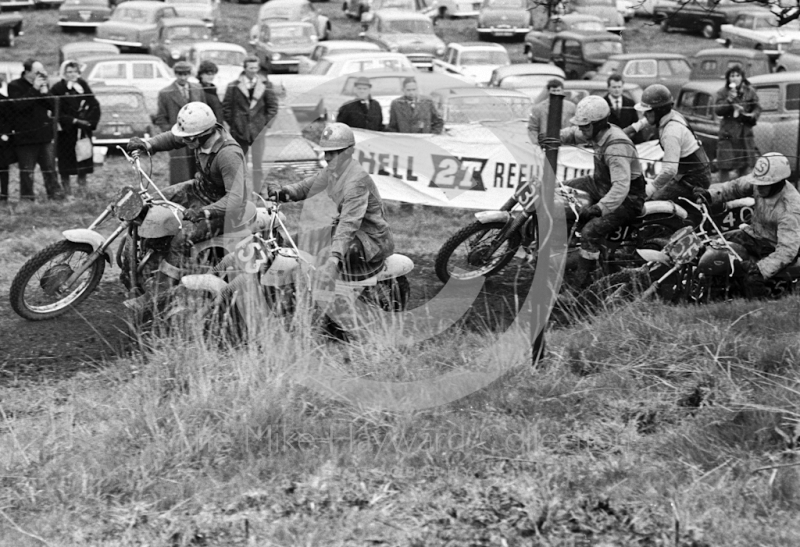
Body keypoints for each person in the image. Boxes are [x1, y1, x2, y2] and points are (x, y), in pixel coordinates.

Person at [126, 102, 253, 291]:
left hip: (223, 210)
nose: (184, 142)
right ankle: (146, 263)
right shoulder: (198, 136)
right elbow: (174, 138)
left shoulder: (228, 155)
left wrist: (204, 212)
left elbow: (235, 199)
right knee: (148, 206)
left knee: (181, 239)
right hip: (198, 189)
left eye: (188, 139)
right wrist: (148, 144)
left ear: (202, 135)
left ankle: (161, 294)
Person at [267, 122, 394, 282]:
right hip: (344, 232)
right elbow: (306, 187)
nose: (327, 158)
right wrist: (283, 192)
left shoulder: (357, 181)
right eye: (326, 152)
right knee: (289, 243)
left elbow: (349, 222)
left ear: (348, 152)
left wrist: (334, 259)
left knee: (322, 259)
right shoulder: (333, 171)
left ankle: (320, 300)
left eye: (332, 153)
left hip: (369, 239)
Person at [542, 95, 646, 289]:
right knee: (558, 191)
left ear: (598, 124)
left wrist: (600, 208)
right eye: (582, 126)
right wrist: (553, 136)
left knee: (590, 231)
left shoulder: (616, 146)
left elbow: (621, 187)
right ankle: (564, 250)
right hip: (599, 184)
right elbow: (574, 133)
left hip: (627, 199)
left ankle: (581, 286)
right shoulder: (595, 132)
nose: (583, 129)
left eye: (586, 126)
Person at [694, 152, 800, 298]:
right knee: (712, 245)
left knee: (750, 280)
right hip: (753, 235)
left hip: (772, 248)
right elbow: (735, 187)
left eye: (764, 185)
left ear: (777, 182)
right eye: (757, 183)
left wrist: (760, 269)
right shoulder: (759, 184)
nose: (758, 187)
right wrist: (710, 195)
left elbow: (787, 250)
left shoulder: (790, 208)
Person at [624, 84, 710, 204]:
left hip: (693, 180)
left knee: (650, 202)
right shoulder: (670, 115)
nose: (644, 115)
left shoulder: (671, 132)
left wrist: (651, 189)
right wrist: (632, 128)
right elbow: (646, 120)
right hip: (686, 174)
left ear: (659, 111)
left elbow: (669, 170)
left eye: (647, 112)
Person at [222, 55, 279, 194]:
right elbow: (226, 108)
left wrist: (264, 126)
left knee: (258, 164)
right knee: (240, 163)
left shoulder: (266, 85)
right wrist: (235, 124)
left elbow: (273, 108)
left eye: (255, 68)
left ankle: (258, 191)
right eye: (250, 68)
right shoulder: (234, 86)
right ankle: (242, 191)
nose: (253, 71)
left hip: (258, 132)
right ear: (244, 69)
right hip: (240, 132)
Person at [8, 58, 62, 201]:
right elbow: (19, 106)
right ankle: (27, 199)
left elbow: (54, 107)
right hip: (25, 138)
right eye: (37, 71)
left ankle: (55, 196)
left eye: (42, 71)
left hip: (44, 136)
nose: (41, 74)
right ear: (27, 72)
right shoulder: (15, 86)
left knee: (50, 169)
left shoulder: (43, 85)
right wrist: (34, 89)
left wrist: (45, 92)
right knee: (27, 171)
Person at [50, 61, 101, 196]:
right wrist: (73, 120)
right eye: (69, 72)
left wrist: (89, 121)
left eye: (75, 71)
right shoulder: (57, 88)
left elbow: (94, 103)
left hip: (83, 131)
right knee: (66, 163)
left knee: (83, 160)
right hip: (67, 132)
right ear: (64, 73)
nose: (73, 75)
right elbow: (56, 110)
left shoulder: (83, 85)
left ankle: (83, 190)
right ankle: (67, 192)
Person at [154, 60, 207, 185]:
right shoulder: (165, 93)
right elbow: (161, 118)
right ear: (175, 74)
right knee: (180, 174)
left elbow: (205, 111)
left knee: (200, 171)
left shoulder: (198, 89)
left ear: (190, 74)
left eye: (186, 74)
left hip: (198, 138)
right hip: (178, 140)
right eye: (179, 74)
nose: (183, 77)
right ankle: (179, 201)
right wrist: (173, 136)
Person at [714, 66, 760, 182]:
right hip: (728, 134)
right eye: (732, 76)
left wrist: (750, 115)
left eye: (737, 75)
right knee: (724, 165)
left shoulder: (750, 92)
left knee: (743, 165)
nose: (734, 78)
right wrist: (728, 100)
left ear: (742, 77)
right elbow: (718, 110)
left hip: (744, 134)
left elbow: (757, 108)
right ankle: (723, 195)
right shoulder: (722, 92)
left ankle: (742, 194)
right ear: (728, 78)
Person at [527, 78, 575, 147]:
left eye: (558, 90)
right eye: (553, 91)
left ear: (562, 91)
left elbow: (575, 126)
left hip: (566, 145)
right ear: (549, 91)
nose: (556, 93)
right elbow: (532, 128)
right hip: (546, 145)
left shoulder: (571, 107)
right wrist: (537, 143)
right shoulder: (538, 108)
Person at [0, 74, 15, 202]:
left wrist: (5, 134)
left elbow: (9, 121)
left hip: (2, 141)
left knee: (3, 168)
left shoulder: (4, 101)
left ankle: (4, 195)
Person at [197, 60, 224, 125]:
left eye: (213, 74)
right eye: (208, 74)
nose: (211, 77)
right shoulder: (198, 90)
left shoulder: (213, 88)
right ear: (201, 74)